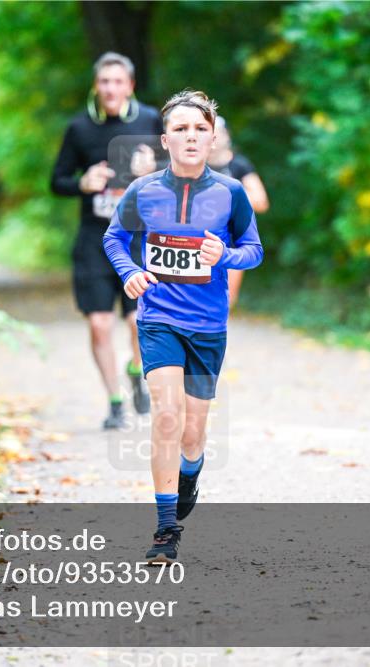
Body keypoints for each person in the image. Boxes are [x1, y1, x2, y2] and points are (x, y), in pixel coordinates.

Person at [103, 90, 263, 563]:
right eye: (180, 129)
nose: (191, 137)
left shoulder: (230, 194)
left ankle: (190, 470)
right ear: (165, 139)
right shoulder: (143, 191)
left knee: (193, 432)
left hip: (208, 326)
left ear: (212, 137)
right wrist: (130, 272)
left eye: (199, 129)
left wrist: (226, 256)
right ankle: (165, 529)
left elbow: (254, 249)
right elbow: (114, 238)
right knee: (166, 416)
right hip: (158, 319)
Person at [51, 52, 163, 430]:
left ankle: (136, 368)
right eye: (104, 82)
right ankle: (115, 401)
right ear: (96, 87)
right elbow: (57, 181)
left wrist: (155, 169)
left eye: (118, 82)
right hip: (94, 238)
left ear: (130, 85)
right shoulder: (79, 128)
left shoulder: (151, 120)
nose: (111, 89)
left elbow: (182, 171)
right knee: (99, 324)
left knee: (137, 322)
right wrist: (81, 184)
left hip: (137, 238)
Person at [207, 116, 269, 309]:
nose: (215, 139)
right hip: (199, 240)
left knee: (225, 302)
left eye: (219, 133)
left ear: (227, 136)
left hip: (232, 244)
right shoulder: (194, 166)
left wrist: (227, 198)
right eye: (210, 133)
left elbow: (261, 202)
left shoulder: (240, 165)